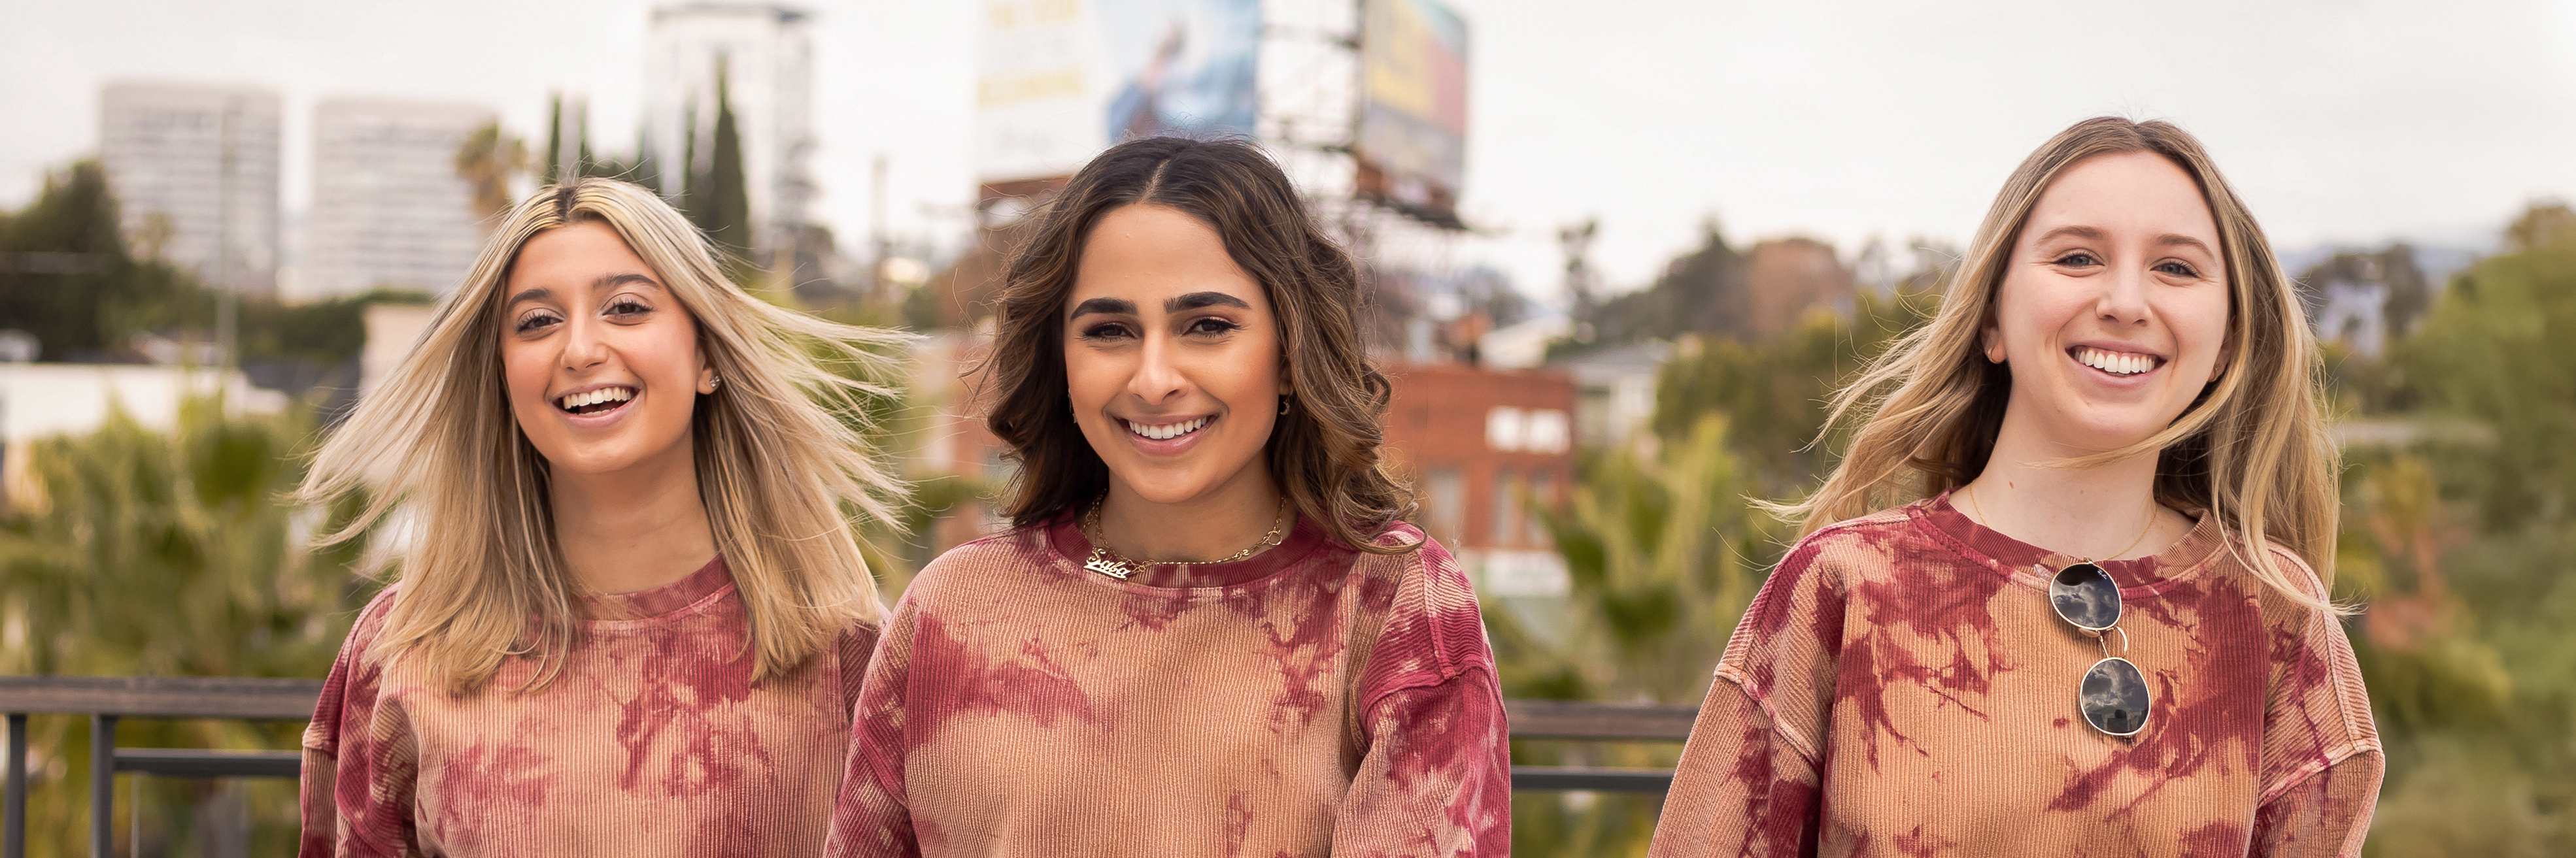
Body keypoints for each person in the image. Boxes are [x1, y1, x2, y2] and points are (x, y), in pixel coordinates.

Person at [1648, 117, 2381, 857]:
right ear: (1992, 319)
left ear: (2226, 341)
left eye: (2176, 268)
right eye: (2076, 257)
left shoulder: (2274, 613)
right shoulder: (1843, 586)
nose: (2126, 301)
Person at [824, 137, 1510, 857]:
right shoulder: (953, 606)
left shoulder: (1392, 604)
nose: (1153, 378)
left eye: (1207, 326)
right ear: (1061, 359)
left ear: (1289, 351)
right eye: (1110, 330)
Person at [293, 177, 906, 856]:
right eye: (537, 321)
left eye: (625, 307)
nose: (580, 349)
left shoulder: (844, 646)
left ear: (706, 355)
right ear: (501, 375)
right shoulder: (401, 648)